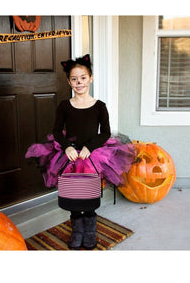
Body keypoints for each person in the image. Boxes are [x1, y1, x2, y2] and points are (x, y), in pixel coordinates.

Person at [25, 54, 135, 250]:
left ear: (90, 78)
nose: (79, 82)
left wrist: (89, 147)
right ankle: (77, 229)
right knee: (73, 196)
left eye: (83, 78)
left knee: (89, 195)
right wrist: (67, 146)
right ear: (69, 81)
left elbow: (106, 133)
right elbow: (57, 131)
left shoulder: (99, 106)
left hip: (92, 156)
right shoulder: (65, 106)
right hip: (69, 156)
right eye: (74, 79)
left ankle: (90, 230)